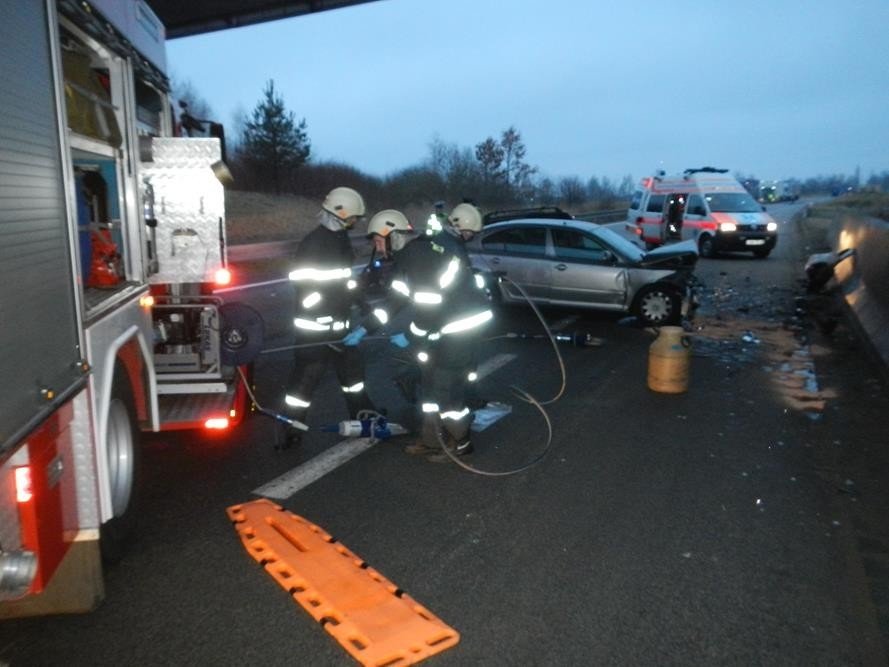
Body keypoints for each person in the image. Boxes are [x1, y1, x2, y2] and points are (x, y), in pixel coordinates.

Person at [390, 203, 493, 463]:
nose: (469, 238)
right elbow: (406, 297)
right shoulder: (432, 249)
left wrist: (412, 336)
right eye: (469, 233)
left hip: (458, 335)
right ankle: (431, 441)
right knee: (430, 390)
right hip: (446, 330)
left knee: (446, 393)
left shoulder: (426, 252)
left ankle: (461, 444)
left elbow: (428, 306)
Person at [281, 186, 374, 448]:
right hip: (315, 330)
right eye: (354, 217)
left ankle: (363, 416)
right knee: (305, 381)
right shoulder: (315, 243)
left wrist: (360, 301)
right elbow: (304, 287)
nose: (356, 222)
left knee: (353, 374)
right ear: (341, 214)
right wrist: (326, 321)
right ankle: (291, 428)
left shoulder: (339, 240)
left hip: (339, 328)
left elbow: (343, 281)